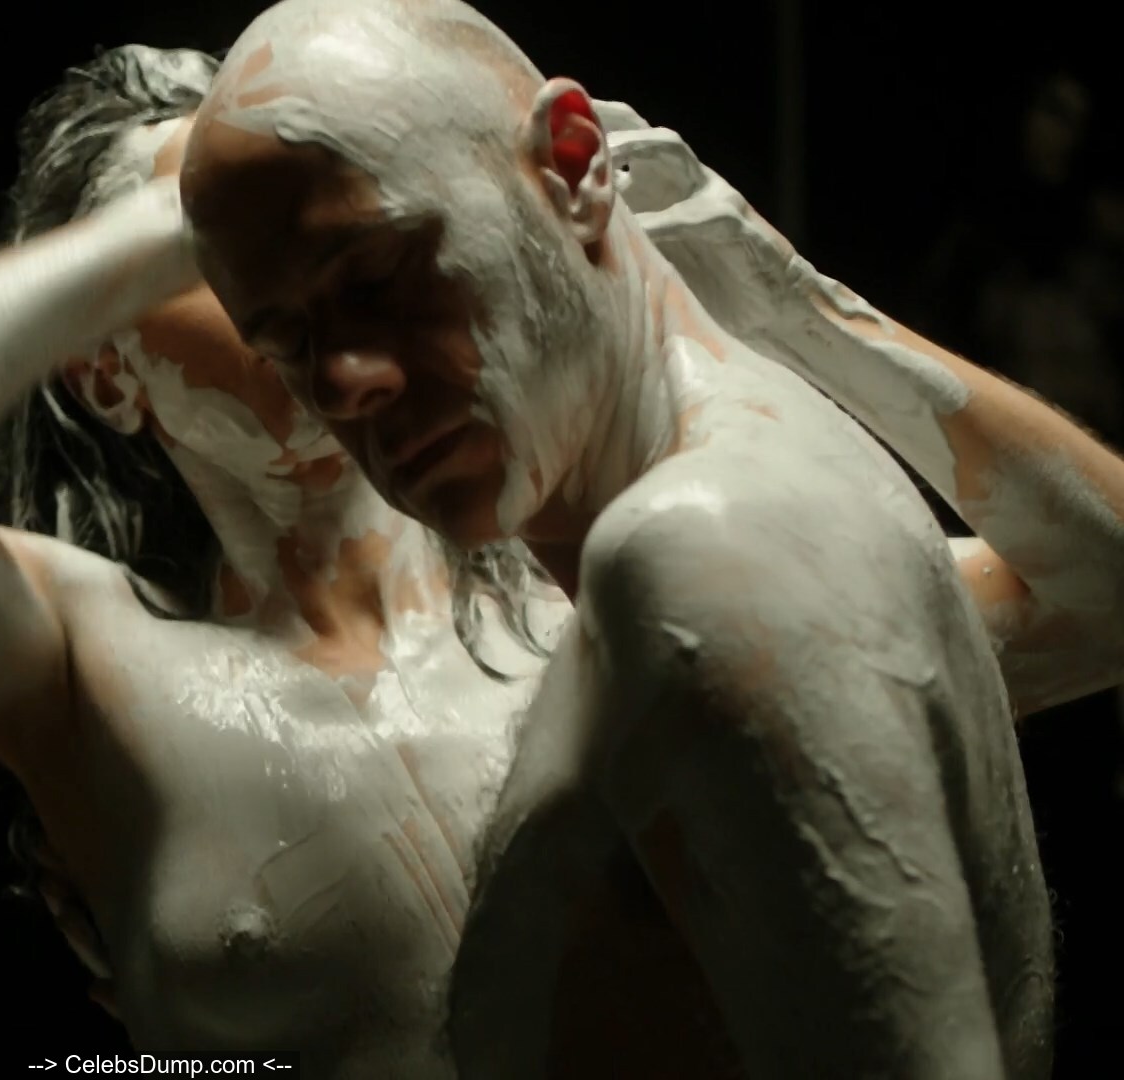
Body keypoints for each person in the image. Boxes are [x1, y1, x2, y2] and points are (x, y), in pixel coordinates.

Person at [0, 40, 1124, 1080]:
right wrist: (174, 213)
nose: (293, 292)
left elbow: (1101, 591)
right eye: (229, 262)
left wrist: (803, 309)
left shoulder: (623, 583)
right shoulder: (97, 669)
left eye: (327, 230)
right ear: (106, 371)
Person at [178, 1, 1122, 1077]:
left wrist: (798, 303)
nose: (346, 382)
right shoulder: (684, 545)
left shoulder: (711, 555)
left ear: (574, 165)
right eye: (289, 343)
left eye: (376, 276)